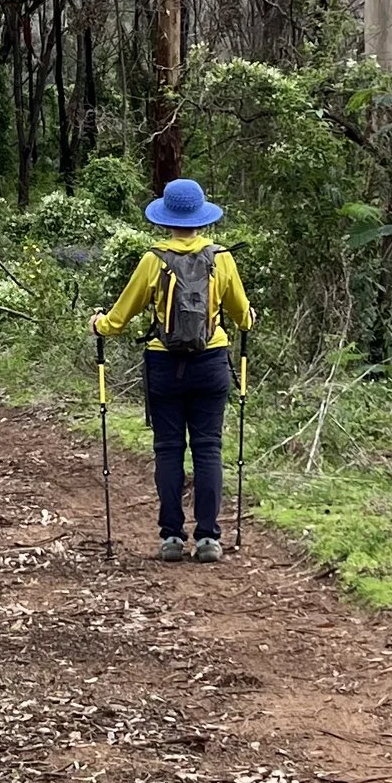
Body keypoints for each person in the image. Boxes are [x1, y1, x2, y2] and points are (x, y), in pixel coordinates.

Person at [93, 176, 254, 561]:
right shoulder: (221, 258)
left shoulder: (154, 260)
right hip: (211, 361)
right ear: (201, 218)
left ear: (166, 218)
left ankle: (171, 538)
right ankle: (209, 538)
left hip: (164, 364)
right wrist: (248, 318)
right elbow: (243, 317)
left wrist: (97, 324)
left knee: (168, 449)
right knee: (208, 448)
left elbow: (118, 320)